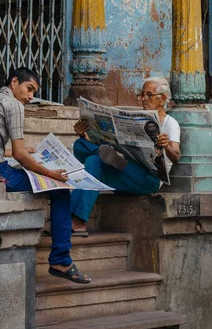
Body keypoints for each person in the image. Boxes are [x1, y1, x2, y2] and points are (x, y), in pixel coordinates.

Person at [0, 67, 91, 284]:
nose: (31, 97)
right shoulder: (13, 105)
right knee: (60, 189)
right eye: (29, 89)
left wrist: (22, 153)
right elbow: (20, 155)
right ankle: (61, 259)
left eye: (33, 92)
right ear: (14, 82)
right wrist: (51, 173)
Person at [70, 77, 181, 234]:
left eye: (148, 95)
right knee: (81, 146)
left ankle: (76, 220)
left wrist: (166, 145)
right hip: (128, 168)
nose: (143, 99)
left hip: (149, 178)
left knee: (94, 162)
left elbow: (176, 155)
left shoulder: (170, 123)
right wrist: (85, 134)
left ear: (162, 98)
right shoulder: (137, 117)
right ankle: (105, 156)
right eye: (142, 95)